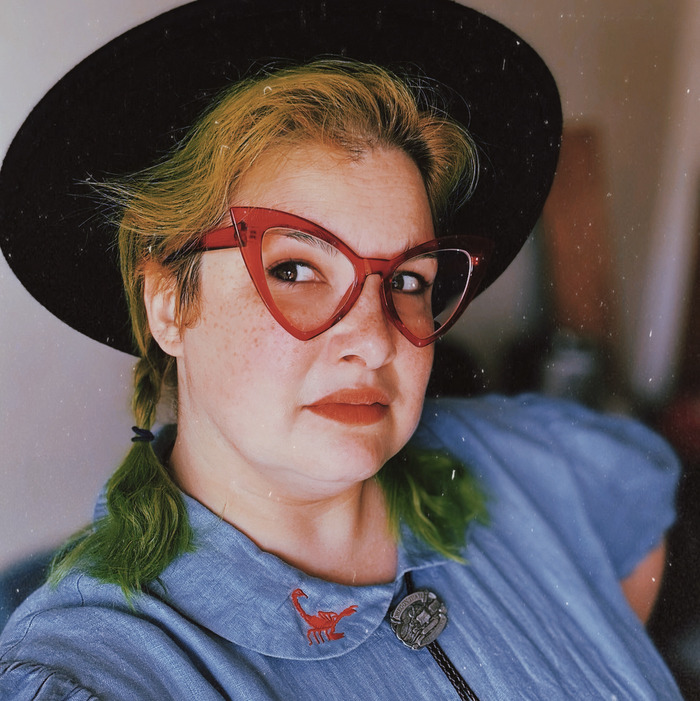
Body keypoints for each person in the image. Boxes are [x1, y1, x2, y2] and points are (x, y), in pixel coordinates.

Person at [0, 1, 682, 698]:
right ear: (169, 304)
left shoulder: (527, 460)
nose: (375, 340)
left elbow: (639, 504)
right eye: (295, 269)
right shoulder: (101, 671)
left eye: (409, 280)